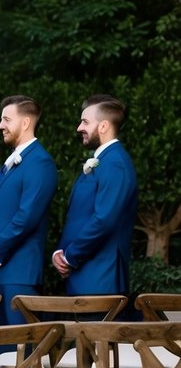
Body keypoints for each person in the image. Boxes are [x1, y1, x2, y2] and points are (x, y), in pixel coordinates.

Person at [0, 95, 58, 326]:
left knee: (20, 350)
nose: (0, 125)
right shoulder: (13, 160)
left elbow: (27, 216)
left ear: (24, 123)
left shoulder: (40, 162)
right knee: (1, 350)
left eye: (6, 119)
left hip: (19, 272)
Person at [53, 95, 138, 296]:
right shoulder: (103, 161)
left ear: (103, 126)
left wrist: (71, 256)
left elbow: (104, 219)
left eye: (85, 122)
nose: (79, 128)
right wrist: (61, 251)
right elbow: (80, 215)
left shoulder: (115, 163)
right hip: (84, 274)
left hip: (101, 277)